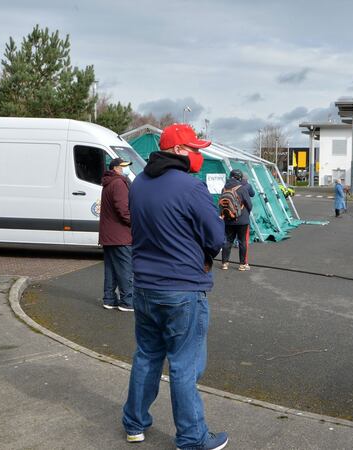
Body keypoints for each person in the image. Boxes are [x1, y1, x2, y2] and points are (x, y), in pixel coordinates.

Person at [122, 124, 228, 450]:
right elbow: (217, 238)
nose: (199, 155)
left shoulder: (138, 184)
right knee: (183, 366)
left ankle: (134, 423)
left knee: (147, 357)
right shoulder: (190, 187)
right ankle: (192, 438)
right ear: (180, 151)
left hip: (144, 286)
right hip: (183, 289)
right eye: (195, 149)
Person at [99, 157, 133, 311]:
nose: (124, 169)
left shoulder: (108, 183)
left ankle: (109, 299)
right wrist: (135, 223)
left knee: (111, 269)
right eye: (122, 166)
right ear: (115, 168)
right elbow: (124, 210)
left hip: (108, 234)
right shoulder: (119, 183)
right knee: (125, 269)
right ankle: (127, 301)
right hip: (120, 235)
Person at [220, 169, 253, 271]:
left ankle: (225, 263)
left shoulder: (224, 188)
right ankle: (242, 264)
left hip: (228, 218)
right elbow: (249, 204)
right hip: (242, 219)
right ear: (240, 177)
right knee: (242, 241)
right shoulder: (242, 188)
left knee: (228, 241)